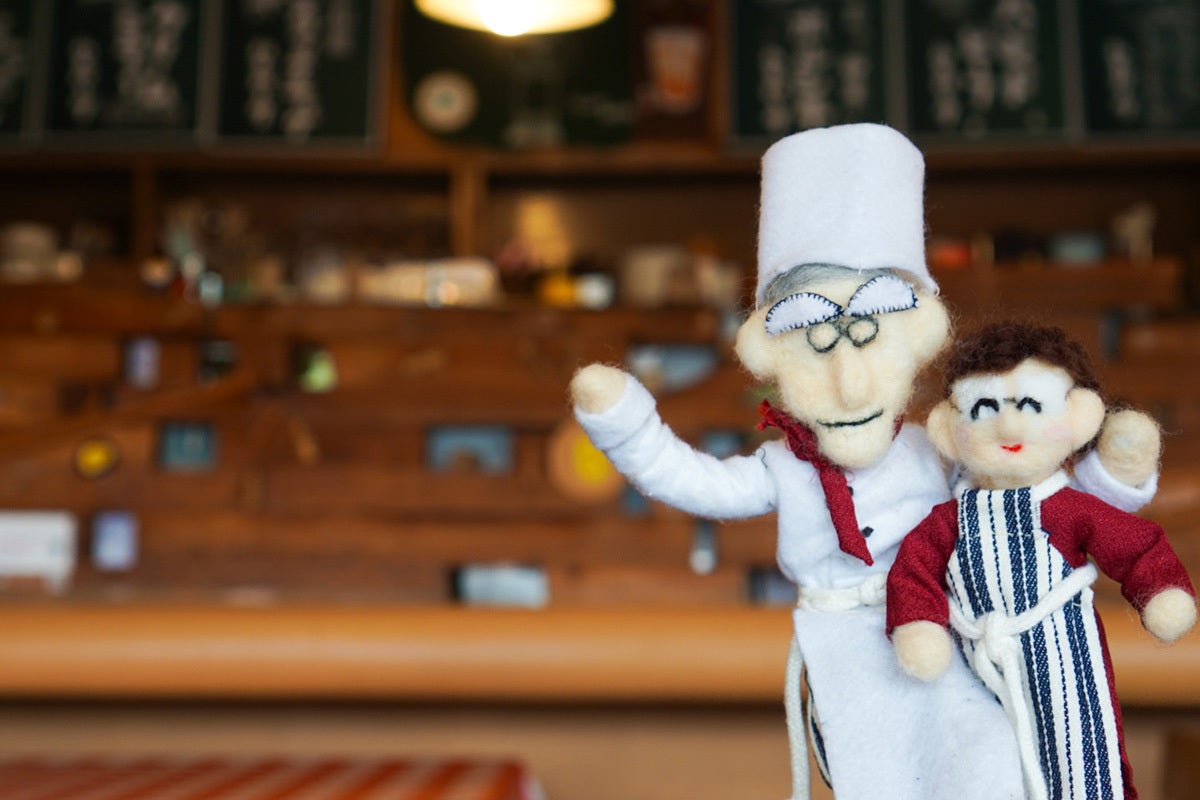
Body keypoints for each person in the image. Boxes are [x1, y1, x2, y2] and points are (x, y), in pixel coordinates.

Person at [570, 123, 1161, 800]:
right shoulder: (783, 467)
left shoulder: (937, 449)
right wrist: (626, 426)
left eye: (870, 339)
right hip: (843, 659)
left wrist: (1114, 474)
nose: (850, 387)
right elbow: (695, 480)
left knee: (989, 763)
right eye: (818, 345)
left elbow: (1037, 501)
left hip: (950, 639)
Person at [887, 323, 1196, 800]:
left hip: (1064, 655)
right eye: (984, 409)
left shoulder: (1069, 508)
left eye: (1030, 406)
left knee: (1081, 754)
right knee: (979, 764)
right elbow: (913, 570)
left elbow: (1133, 545)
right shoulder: (948, 521)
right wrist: (919, 626)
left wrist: (1160, 592)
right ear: (948, 428)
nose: (1008, 427)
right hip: (976, 663)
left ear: (1079, 417)